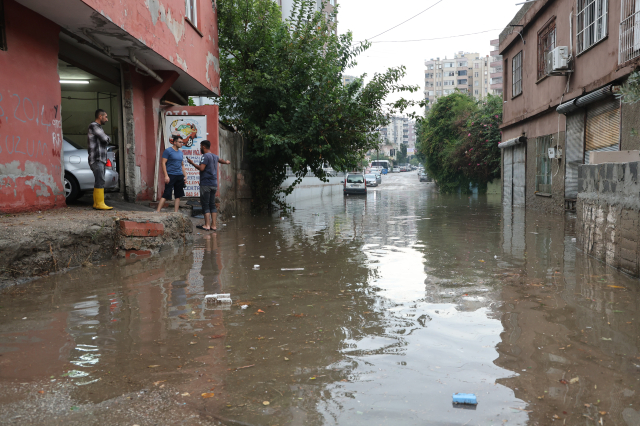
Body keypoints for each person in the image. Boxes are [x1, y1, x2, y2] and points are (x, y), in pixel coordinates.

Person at [187, 140, 230, 231]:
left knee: (205, 204)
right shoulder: (214, 156)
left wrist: (192, 163)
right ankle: (213, 225)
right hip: (214, 184)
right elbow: (221, 160)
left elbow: (202, 168)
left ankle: (206, 225)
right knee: (212, 205)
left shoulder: (205, 156)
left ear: (203, 147)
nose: (199, 148)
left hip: (206, 184)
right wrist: (226, 162)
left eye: (200, 146)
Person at [87, 109, 113, 210]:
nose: (107, 119)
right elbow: (105, 139)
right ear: (100, 116)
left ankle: (97, 203)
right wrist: (107, 138)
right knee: (100, 180)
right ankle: (99, 203)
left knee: (99, 180)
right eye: (105, 117)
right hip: (97, 158)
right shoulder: (94, 126)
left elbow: (106, 139)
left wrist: (107, 138)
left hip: (100, 158)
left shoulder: (98, 127)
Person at [156, 134, 186, 213]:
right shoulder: (168, 151)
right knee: (166, 193)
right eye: (180, 142)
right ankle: (157, 211)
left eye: (182, 142)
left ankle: (175, 212)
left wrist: (185, 175)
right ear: (175, 142)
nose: (181, 144)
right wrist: (166, 176)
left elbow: (182, 165)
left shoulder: (180, 153)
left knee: (178, 195)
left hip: (179, 175)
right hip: (171, 175)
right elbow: (163, 163)